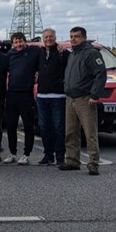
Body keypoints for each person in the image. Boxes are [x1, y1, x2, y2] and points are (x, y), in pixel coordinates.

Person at [59, 26, 106, 176]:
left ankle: (93, 163)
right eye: (71, 36)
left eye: (77, 36)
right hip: (70, 98)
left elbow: (100, 74)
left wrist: (95, 95)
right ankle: (72, 160)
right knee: (71, 132)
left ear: (84, 37)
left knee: (90, 133)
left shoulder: (91, 53)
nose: (73, 39)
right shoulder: (73, 54)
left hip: (85, 99)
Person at [3, 31, 41, 165]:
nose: (18, 44)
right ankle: (12, 153)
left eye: (20, 41)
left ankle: (26, 154)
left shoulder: (34, 51)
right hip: (12, 95)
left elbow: (47, 49)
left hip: (26, 94)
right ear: (12, 44)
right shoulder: (9, 55)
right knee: (11, 126)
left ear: (25, 41)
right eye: (16, 42)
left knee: (28, 126)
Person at [36, 28, 69, 165]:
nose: (48, 39)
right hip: (41, 96)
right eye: (46, 37)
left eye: (51, 37)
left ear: (55, 37)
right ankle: (48, 155)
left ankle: (60, 157)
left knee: (58, 128)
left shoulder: (63, 53)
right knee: (44, 127)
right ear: (43, 39)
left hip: (58, 96)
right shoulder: (39, 52)